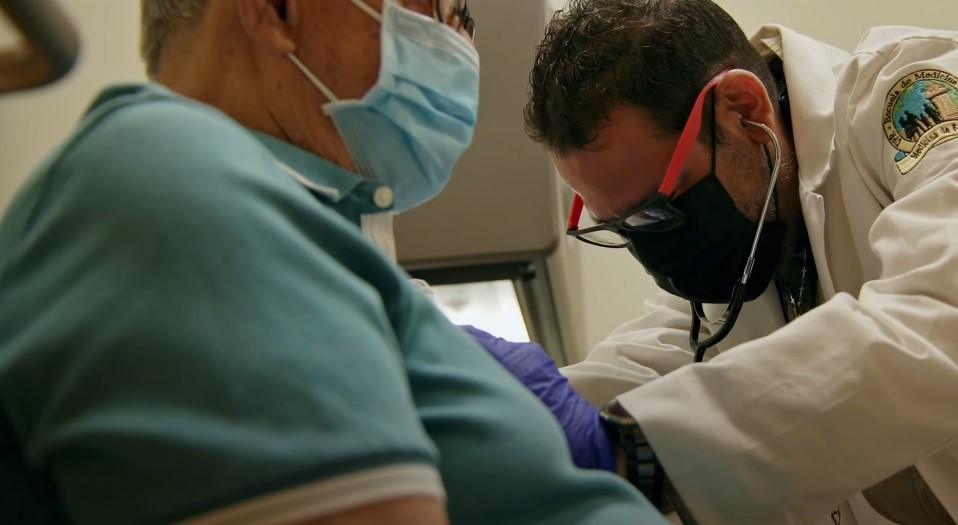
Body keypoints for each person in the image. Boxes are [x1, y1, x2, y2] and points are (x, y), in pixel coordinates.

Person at [0, 1, 670, 524]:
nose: (458, 40)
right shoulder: (170, 174)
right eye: (429, 6)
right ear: (275, 8)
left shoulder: (303, 231)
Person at [468, 0, 958, 524]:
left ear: (745, 109)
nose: (657, 251)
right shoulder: (744, 256)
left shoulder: (908, 91)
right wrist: (490, 413)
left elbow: (943, 319)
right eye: (623, 228)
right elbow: (643, 371)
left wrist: (639, 452)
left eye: (660, 210)